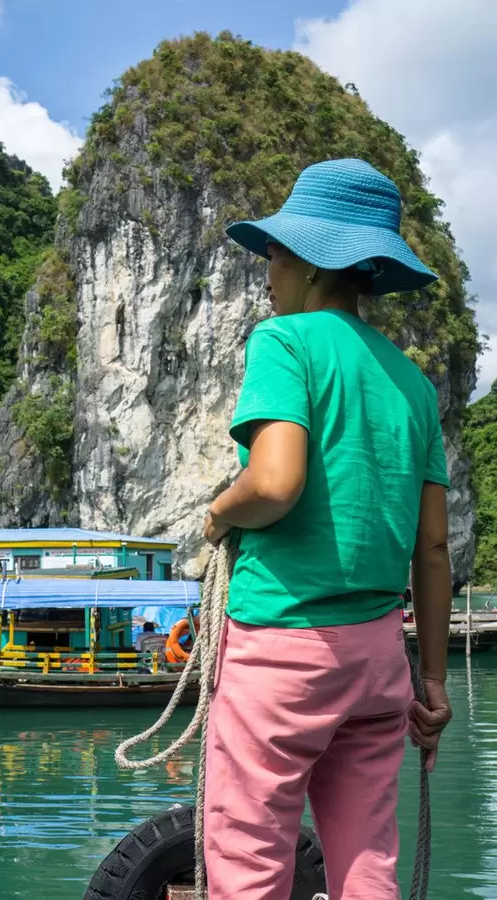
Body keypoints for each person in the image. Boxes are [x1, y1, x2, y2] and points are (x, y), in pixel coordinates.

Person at [202, 159, 453, 900]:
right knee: (366, 858)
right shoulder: (412, 383)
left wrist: (218, 514)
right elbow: (432, 549)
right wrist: (431, 680)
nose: (267, 271)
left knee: (248, 854)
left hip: (283, 647)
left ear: (311, 261)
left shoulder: (286, 344)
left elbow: (276, 484)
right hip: (380, 661)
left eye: (274, 253)